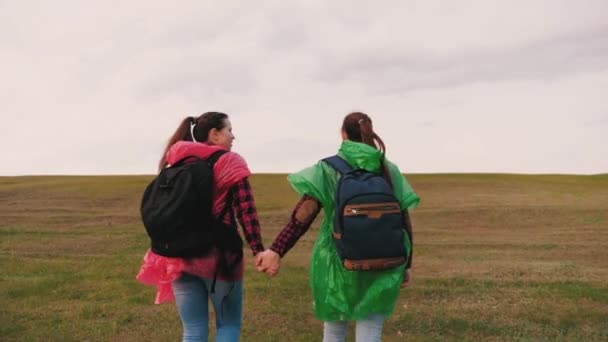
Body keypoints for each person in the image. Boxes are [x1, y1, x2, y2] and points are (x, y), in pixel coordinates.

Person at [256, 112, 420, 342]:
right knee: (370, 329)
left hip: (336, 260)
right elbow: (403, 220)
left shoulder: (327, 169)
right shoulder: (387, 169)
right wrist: (407, 264)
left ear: (343, 134)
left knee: (334, 329)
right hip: (383, 261)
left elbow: (302, 216)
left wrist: (276, 250)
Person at [136, 112, 265, 342]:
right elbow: (246, 210)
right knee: (228, 325)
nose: (233, 136)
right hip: (221, 257)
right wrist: (258, 249)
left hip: (179, 256)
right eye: (229, 130)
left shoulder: (177, 161)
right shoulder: (229, 161)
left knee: (193, 330)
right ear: (214, 134)